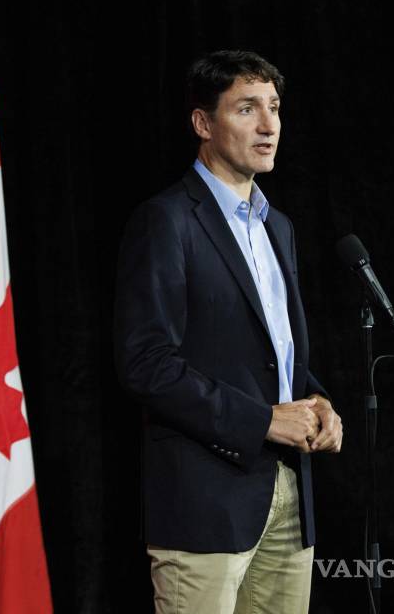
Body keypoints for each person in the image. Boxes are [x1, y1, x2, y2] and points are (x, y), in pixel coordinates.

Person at [114, 50, 343, 614]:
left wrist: (317, 401)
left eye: (274, 108)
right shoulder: (166, 220)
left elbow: (274, 354)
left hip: (290, 494)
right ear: (203, 123)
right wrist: (263, 420)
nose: (269, 126)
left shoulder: (278, 226)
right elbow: (145, 362)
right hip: (205, 499)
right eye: (247, 109)